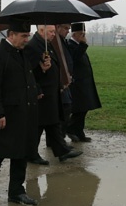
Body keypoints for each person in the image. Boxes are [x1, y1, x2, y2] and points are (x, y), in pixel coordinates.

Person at [0, 21, 39, 206]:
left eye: (28, 36)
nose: (26, 40)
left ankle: (16, 192)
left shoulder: (23, 54)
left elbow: (27, 80)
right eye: (23, 36)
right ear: (11, 34)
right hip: (4, 113)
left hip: (23, 113)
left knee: (20, 153)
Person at [24, 24, 82, 164]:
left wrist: (60, 83)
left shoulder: (46, 44)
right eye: (50, 32)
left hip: (51, 92)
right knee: (39, 126)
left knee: (52, 123)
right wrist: (41, 69)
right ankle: (31, 155)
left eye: (54, 32)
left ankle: (61, 151)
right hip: (42, 94)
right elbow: (28, 72)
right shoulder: (33, 46)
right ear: (41, 31)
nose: (53, 34)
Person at [66, 22, 101, 142]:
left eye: (84, 34)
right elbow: (74, 59)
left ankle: (79, 131)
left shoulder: (78, 44)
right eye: (81, 34)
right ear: (74, 34)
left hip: (84, 82)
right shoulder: (70, 45)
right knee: (79, 109)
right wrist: (83, 44)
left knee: (84, 108)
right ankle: (70, 129)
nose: (83, 36)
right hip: (77, 83)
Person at [56, 23, 74, 138]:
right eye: (66, 28)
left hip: (66, 81)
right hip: (60, 83)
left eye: (69, 29)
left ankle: (60, 141)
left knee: (67, 109)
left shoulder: (63, 41)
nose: (68, 31)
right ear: (58, 27)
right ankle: (58, 141)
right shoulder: (54, 42)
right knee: (64, 110)